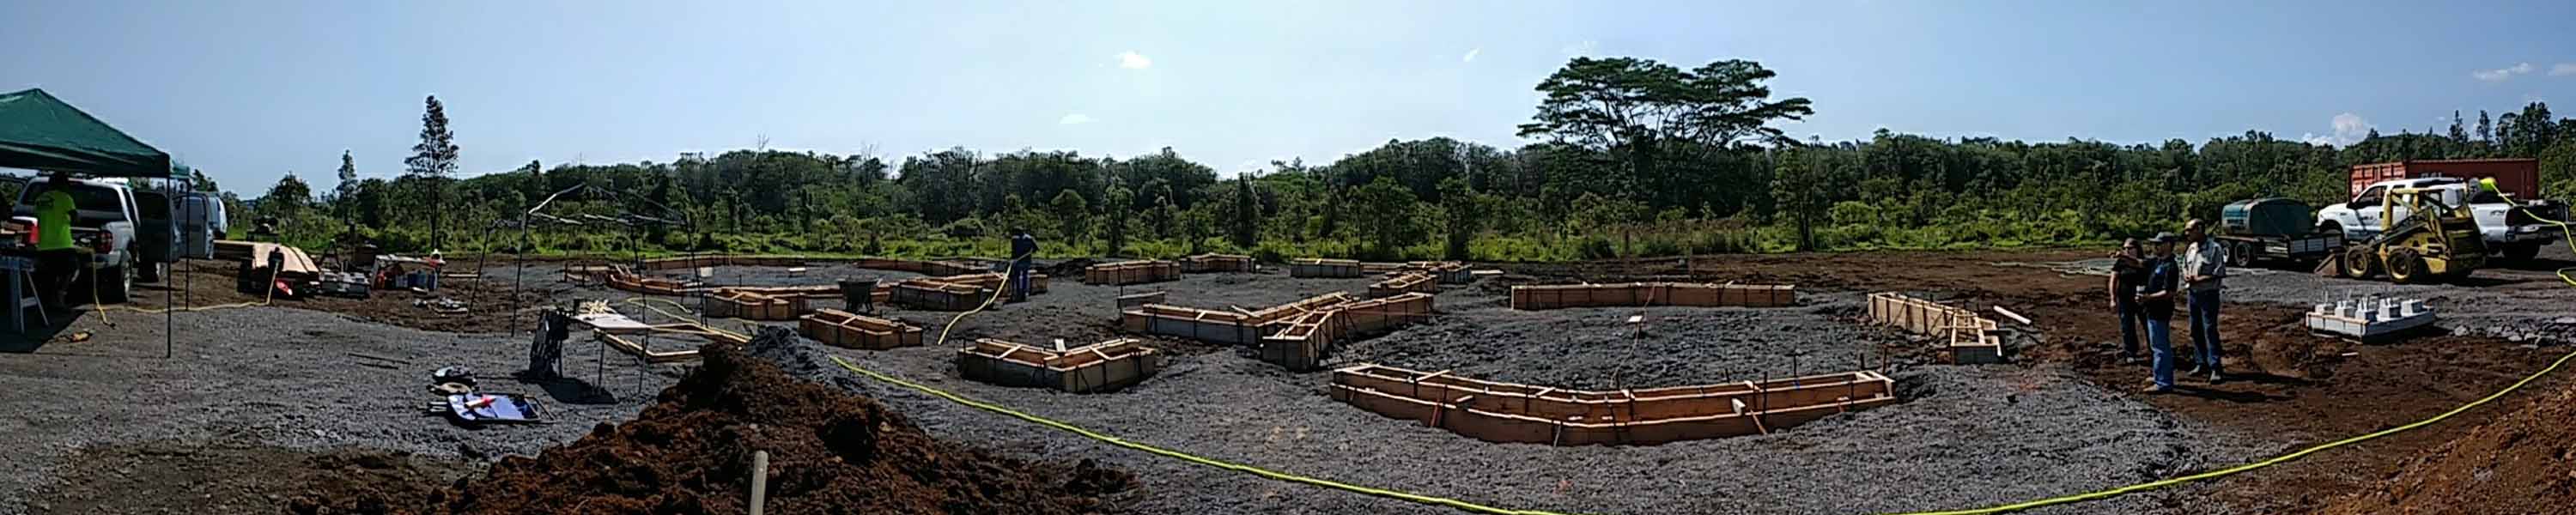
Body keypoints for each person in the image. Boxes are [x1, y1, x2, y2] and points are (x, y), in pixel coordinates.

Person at [2180, 219, 2227, 384]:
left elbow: (2220, 271)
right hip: (2193, 293)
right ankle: (2201, 363)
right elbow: (2184, 265)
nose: (2187, 233)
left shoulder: (2215, 248)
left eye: (2189, 230)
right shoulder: (2191, 249)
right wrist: (2186, 275)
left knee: (2210, 330)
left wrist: (2200, 279)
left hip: (2209, 294)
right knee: (2195, 329)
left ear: (2199, 229)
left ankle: (2216, 367)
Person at [2136, 233, 2184, 393]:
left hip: (2160, 310)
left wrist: (2148, 298)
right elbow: (2140, 263)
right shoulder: (2157, 262)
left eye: (2158, 244)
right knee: (2156, 343)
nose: (2155, 247)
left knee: (2160, 346)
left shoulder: (2170, 266)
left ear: (2168, 245)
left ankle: (2163, 382)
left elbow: (2169, 292)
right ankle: (2159, 375)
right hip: (2152, 309)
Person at [30, 173, 82, 312]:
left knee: (49, 275)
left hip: (43, 244)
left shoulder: (40, 199)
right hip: (61, 244)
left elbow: (39, 218)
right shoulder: (65, 198)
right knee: (71, 269)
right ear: (62, 184)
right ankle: (59, 298)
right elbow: (76, 218)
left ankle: (47, 303)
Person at [2107, 239, 2147, 363]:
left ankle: (2154, 350)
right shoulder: (2121, 263)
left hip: (2143, 299)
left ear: (2137, 249)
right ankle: (2131, 352)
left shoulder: (2144, 261)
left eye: (2129, 248)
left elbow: (2139, 264)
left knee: (2148, 325)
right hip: (2125, 299)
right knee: (2127, 326)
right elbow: (2113, 280)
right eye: (2125, 249)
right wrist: (2113, 299)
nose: (2126, 251)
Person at [1007, 227, 1037, 303]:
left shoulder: (1015, 239)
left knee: (1017, 276)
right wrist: (1030, 251)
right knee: (1024, 276)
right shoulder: (1029, 238)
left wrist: (1013, 259)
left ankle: (1018, 293)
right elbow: (1035, 249)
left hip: (1019, 262)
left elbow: (1013, 251)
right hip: (1026, 261)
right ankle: (1023, 293)